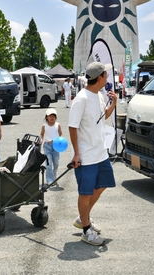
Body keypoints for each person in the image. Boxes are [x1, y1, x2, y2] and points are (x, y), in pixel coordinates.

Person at [68, 61, 117, 246]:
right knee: (85, 192)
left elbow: (103, 117)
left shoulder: (99, 95)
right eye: (106, 74)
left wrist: (114, 103)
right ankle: (86, 230)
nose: (107, 76)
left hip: (100, 152)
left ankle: (83, 217)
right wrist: (76, 154)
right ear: (100, 77)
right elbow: (72, 127)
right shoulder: (81, 99)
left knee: (104, 184)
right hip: (86, 155)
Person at [40, 107, 64, 184]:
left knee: (56, 163)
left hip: (56, 146)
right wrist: (41, 139)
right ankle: (50, 180)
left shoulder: (58, 125)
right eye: (50, 116)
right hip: (47, 146)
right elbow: (42, 134)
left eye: (53, 116)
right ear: (46, 117)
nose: (52, 117)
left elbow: (60, 134)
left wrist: (60, 140)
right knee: (48, 163)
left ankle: (54, 174)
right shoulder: (44, 126)